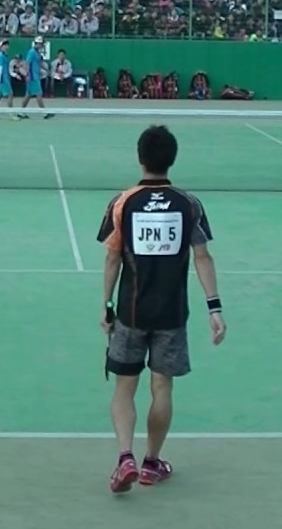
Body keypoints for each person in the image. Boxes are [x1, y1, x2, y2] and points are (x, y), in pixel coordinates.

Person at [95, 125, 226, 494]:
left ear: (140, 158)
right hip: (172, 315)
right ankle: (152, 462)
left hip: (131, 314)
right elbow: (202, 256)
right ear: (172, 159)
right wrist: (214, 308)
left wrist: (106, 305)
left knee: (124, 387)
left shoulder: (123, 202)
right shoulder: (189, 204)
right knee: (162, 388)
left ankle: (125, 458)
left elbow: (112, 260)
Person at [20, 36, 54, 119]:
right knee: (39, 94)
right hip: (33, 78)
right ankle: (44, 113)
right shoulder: (31, 52)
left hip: (35, 77)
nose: (42, 45)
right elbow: (27, 63)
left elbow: (40, 63)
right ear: (37, 43)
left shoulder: (37, 52)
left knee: (28, 95)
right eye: (41, 44)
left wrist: (47, 70)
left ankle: (21, 112)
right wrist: (27, 75)